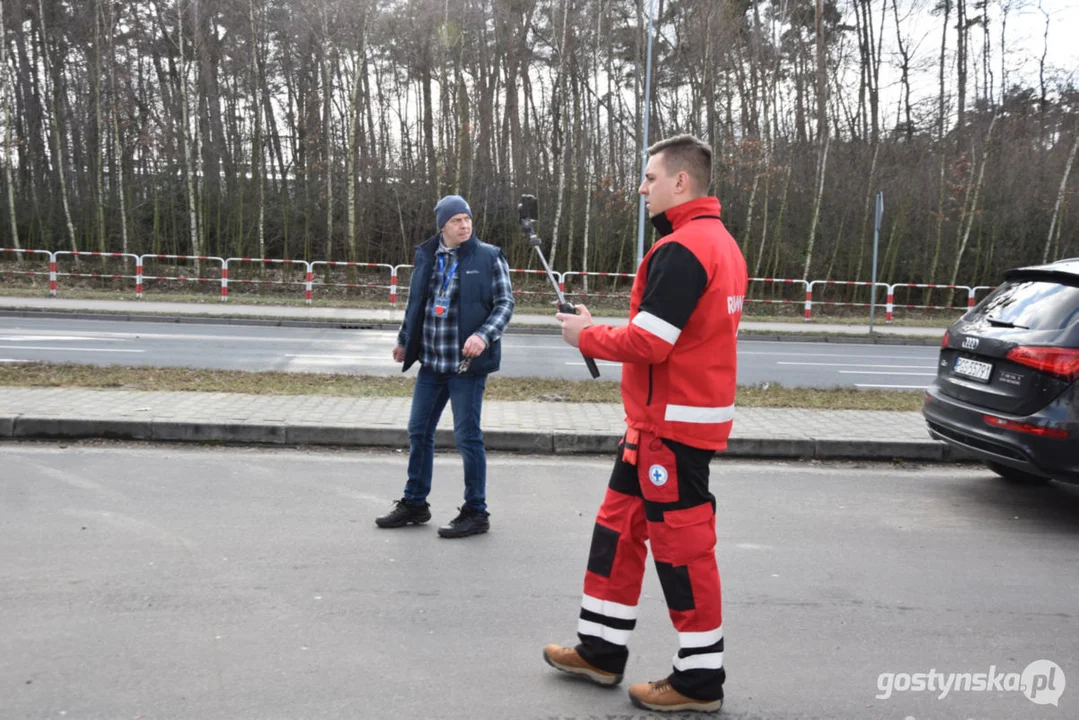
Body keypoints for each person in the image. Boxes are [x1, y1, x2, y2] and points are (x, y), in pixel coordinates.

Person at [542, 135, 747, 713]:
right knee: (617, 531)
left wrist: (587, 336)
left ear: (681, 182)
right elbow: (673, 334)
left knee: (683, 553)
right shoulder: (719, 244)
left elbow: (651, 343)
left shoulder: (684, 249)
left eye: (650, 177)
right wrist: (600, 327)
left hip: (670, 433)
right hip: (660, 427)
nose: (642, 187)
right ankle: (600, 649)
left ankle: (698, 682)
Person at [376, 194, 514, 538]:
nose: (465, 225)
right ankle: (415, 503)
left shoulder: (488, 257)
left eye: (467, 218)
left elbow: (505, 304)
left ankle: (476, 512)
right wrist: (404, 339)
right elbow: (417, 303)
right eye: (457, 220)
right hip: (433, 365)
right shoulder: (427, 256)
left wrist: (484, 335)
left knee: (468, 437)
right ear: (443, 225)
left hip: (466, 366)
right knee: (418, 430)